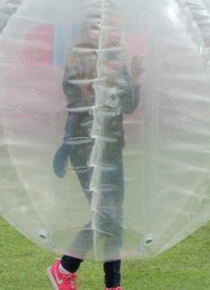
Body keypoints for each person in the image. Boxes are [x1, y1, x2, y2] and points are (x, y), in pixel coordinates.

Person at [47, 16, 143, 290]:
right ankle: (63, 268)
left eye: (108, 25)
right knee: (105, 214)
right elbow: (80, 102)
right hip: (85, 147)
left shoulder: (116, 60)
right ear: (84, 31)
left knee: (116, 214)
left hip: (113, 146)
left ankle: (113, 285)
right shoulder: (78, 61)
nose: (102, 31)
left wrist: (134, 76)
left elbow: (129, 106)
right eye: (94, 25)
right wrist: (104, 76)